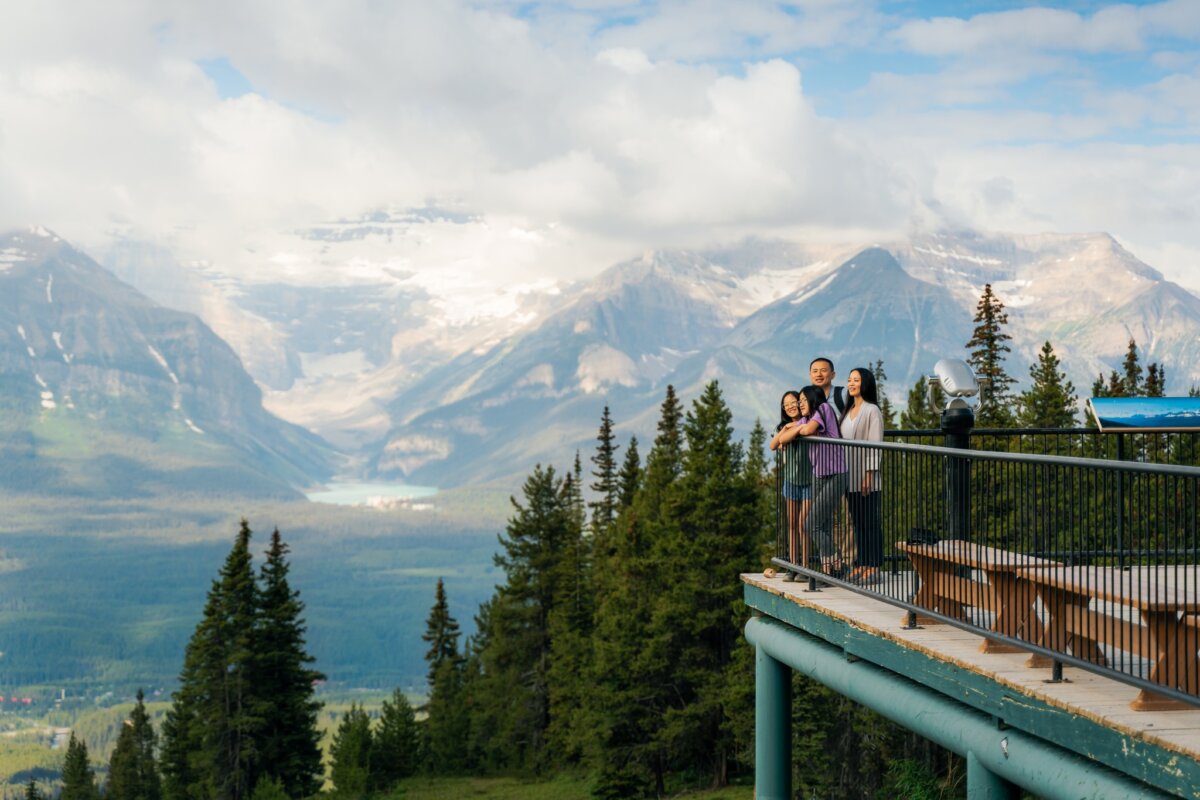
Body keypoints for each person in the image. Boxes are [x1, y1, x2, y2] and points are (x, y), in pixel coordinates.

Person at [793, 385, 848, 575]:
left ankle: (838, 561)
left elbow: (806, 430)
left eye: (802, 400)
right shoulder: (807, 417)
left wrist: (796, 429)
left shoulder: (823, 409)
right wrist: (791, 428)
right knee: (822, 524)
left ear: (812, 398)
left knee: (810, 525)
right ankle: (829, 570)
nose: (800, 404)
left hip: (836, 473)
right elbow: (781, 438)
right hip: (819, 474)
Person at [842, 367, 884, 586]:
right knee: (858, 522)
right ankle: (862, 563)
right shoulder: (849, 410)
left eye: (856, 380)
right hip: (849, 477)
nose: (851, 384)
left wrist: (869, 474)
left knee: (870, 522)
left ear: (865, 383)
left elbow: (875, 444)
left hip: (865, 478)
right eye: (849, 380)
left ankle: (873, 565)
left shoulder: (871, 410)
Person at [769, 390, 810, 581]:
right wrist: (786, 429)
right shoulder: (785, 427)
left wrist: (794, 426)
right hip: (791, 481)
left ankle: (806, 567)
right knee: (792, 525)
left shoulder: (809, 423)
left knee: (804, 525)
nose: (791, 406)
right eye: (786, 405)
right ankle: (793, 565)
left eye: (794, 402)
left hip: (809, 481)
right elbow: (773, 445)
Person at [808, 357, 850, 423]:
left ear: (833, 375)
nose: (818, 374)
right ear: (810, 375)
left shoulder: (843, 394)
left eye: (823, 370)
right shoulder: (805, 399)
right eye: (815, 371)